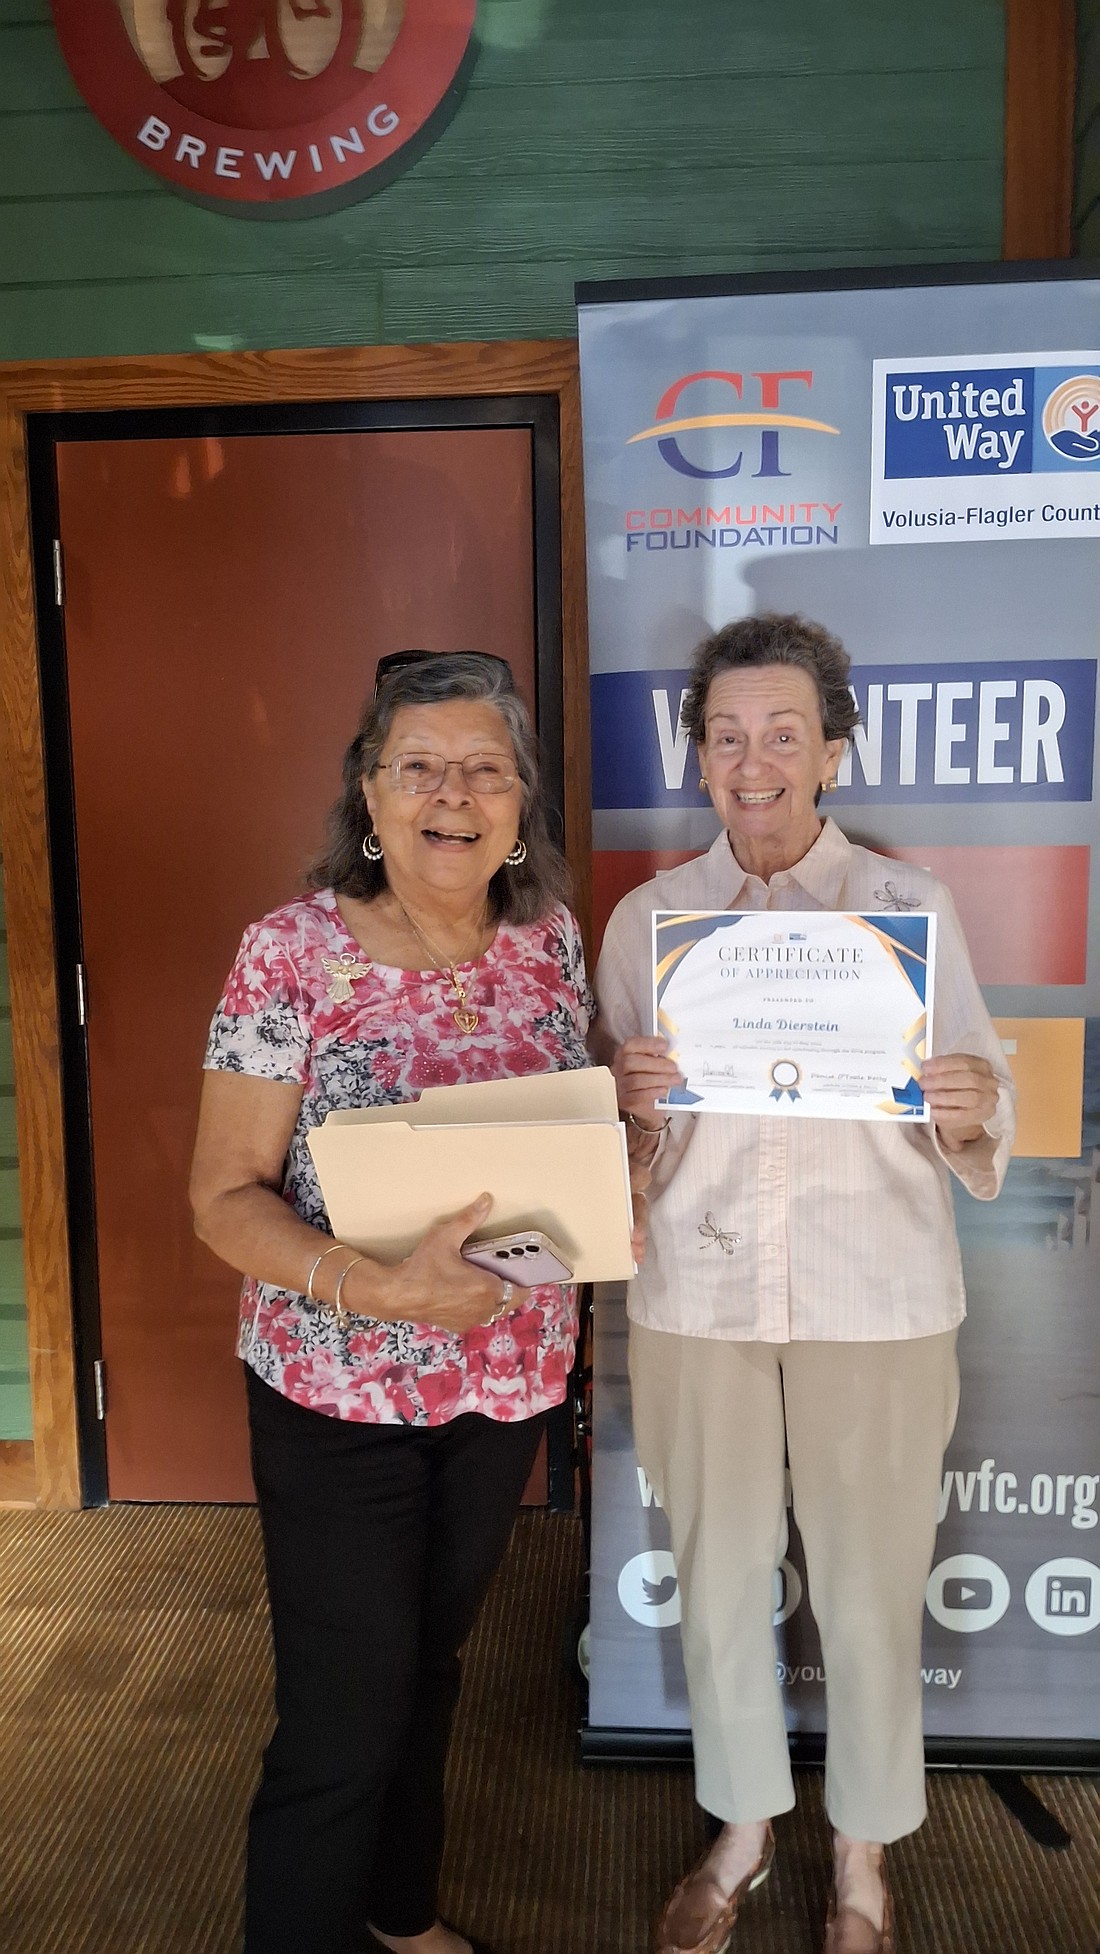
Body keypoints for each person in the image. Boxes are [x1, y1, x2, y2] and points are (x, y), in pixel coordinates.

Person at [594, 613, 1015, 1954]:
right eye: (726, 736)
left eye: (783, 733)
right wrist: (630, 1112)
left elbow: (980, 1114)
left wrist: (968, 1105)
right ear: (699, 758)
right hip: (698, 1300)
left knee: (873, 1589)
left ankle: (861, 1854)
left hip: (877, 1301)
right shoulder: (649, 923)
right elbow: (615, 1170)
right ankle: (743, 1828)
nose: (753, 761)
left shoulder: (908, 910)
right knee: (717, 1578)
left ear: (834, 750)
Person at [190, 650, 596, 1954]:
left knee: (427, 1665)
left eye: (485, 768)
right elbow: (222, 1198)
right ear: (368, 793)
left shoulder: (549, 939)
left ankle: (399, 1913)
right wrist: (381, 1287)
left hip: (505, 1381)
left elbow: (559, 1153)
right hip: (337, 1394)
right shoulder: (289, 953)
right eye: (418, 765)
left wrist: (628, 1152)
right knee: (341, 1718)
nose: (452, 793)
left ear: (521, 802)